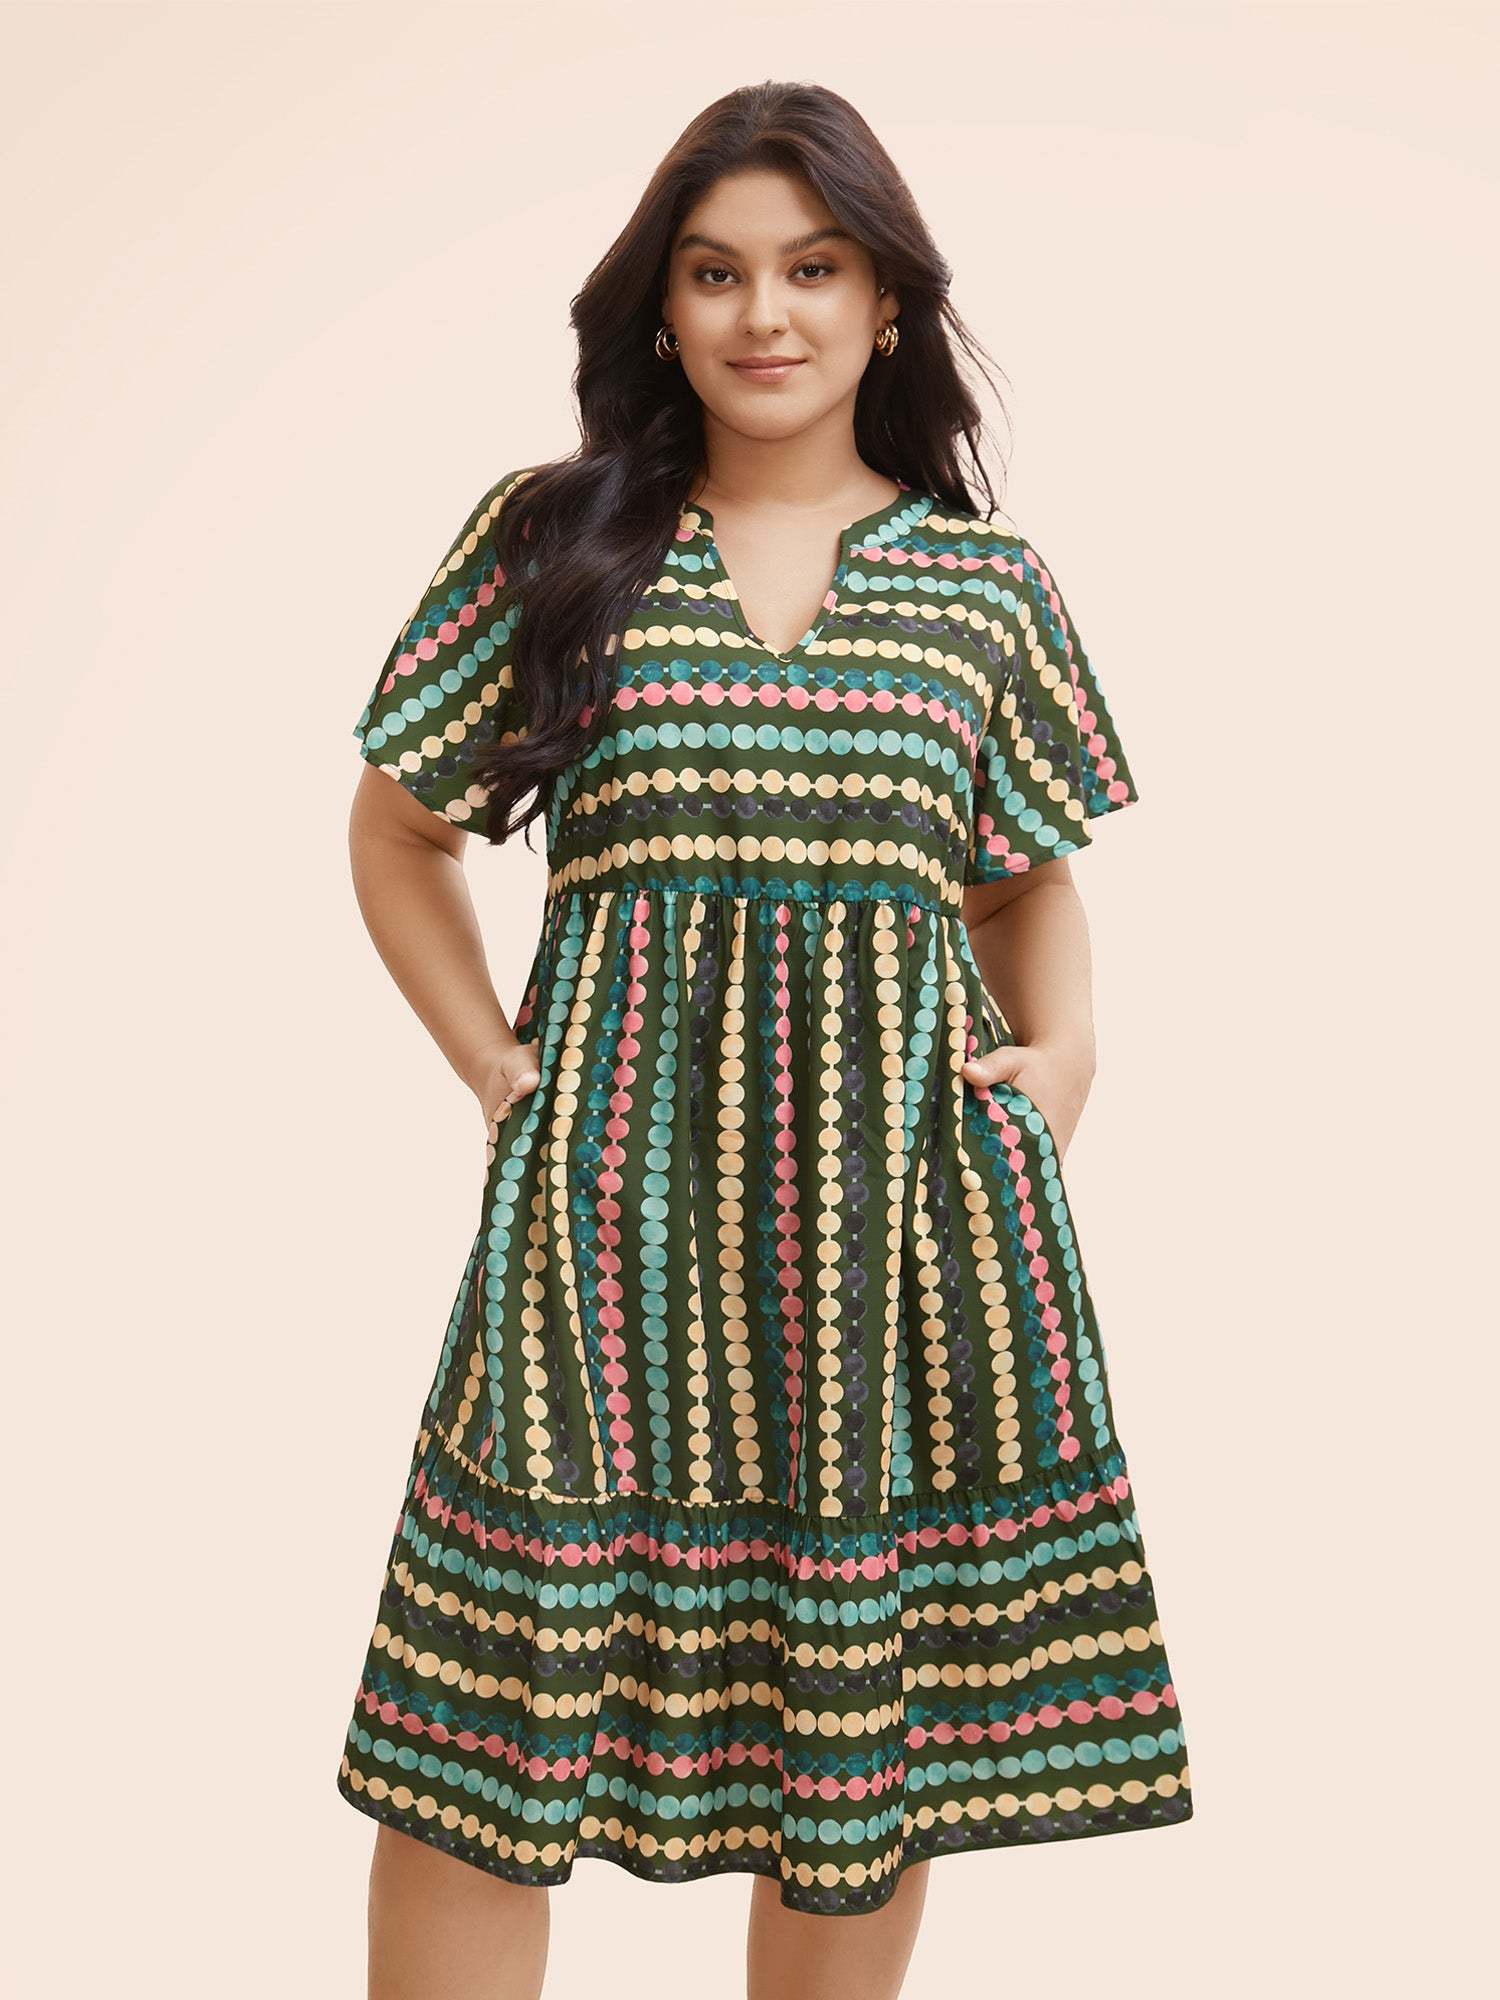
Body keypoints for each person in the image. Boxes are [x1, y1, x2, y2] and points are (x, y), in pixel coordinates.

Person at [337, 78, 1193, 2000]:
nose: (765, 313)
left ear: (886, 303)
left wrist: (1065, 1058)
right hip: (606, 1216)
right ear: (661, 308)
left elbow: (1023, 879)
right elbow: (397, 832)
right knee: (481, 1735)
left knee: (859, 1741)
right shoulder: (557, 542)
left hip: (895, 1226)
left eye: (813, 268)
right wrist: (489, 1059)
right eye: (715, 272)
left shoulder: (984, 585)